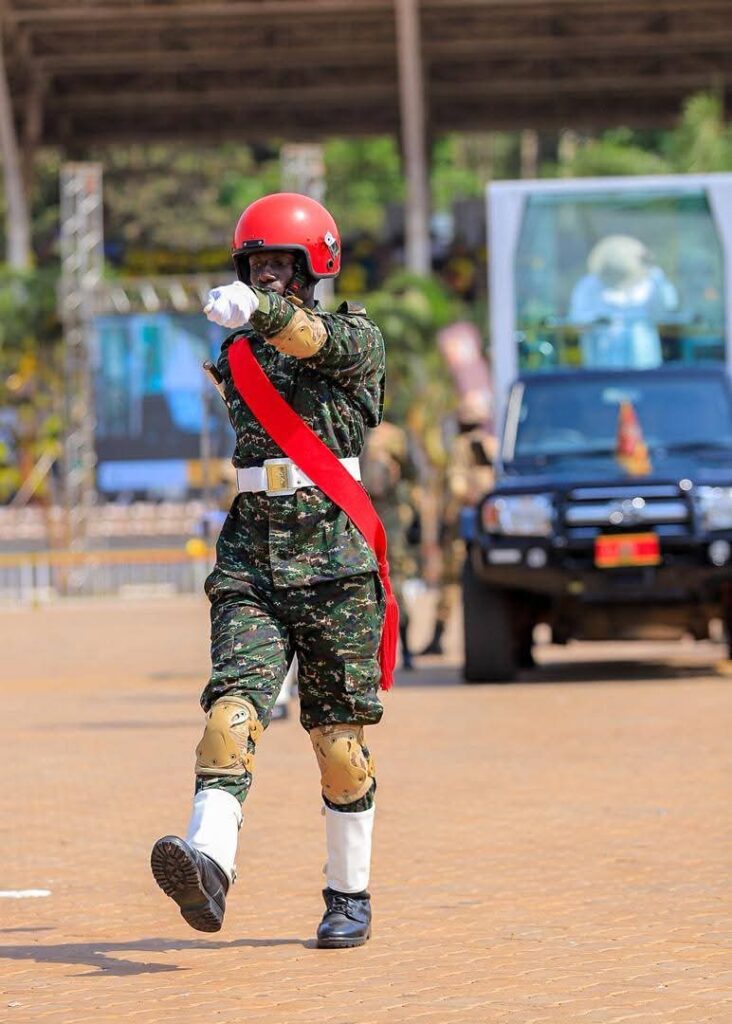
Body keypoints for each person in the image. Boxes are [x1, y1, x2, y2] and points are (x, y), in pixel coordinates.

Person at [150, 193, 388, 949]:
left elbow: (314, 340)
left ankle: (348, 894)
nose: (266, 275)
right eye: (255, 264)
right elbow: (269, 344)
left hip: (336, 563)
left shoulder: (357, 339)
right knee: (230, 714)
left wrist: (261, 309)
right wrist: (251, 320)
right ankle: (209, 864)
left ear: (315, 267)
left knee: (339, 746)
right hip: (253, 555)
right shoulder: (238, 352)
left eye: (282, 263)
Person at [420, 390, 496, 656]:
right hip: (490, 524)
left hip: (462, 524)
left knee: (451, 580)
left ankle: (438, 636)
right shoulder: (493, 444)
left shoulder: (459, 447)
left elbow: (456, 487)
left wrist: (449, 518)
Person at [568, 234, 678, 369]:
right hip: (603, 363)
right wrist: (598, 321)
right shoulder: (589, 285)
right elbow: (577, 318)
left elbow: (668, 306)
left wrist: (655, 271)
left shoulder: (650, 283)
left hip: (643, 363)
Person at [361, 419, 420, 669]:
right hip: (368, 515)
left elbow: (411, 474)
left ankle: (404, 648)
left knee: (393, 582)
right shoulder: (356, 432)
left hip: (386, 519)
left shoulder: (390, 435)